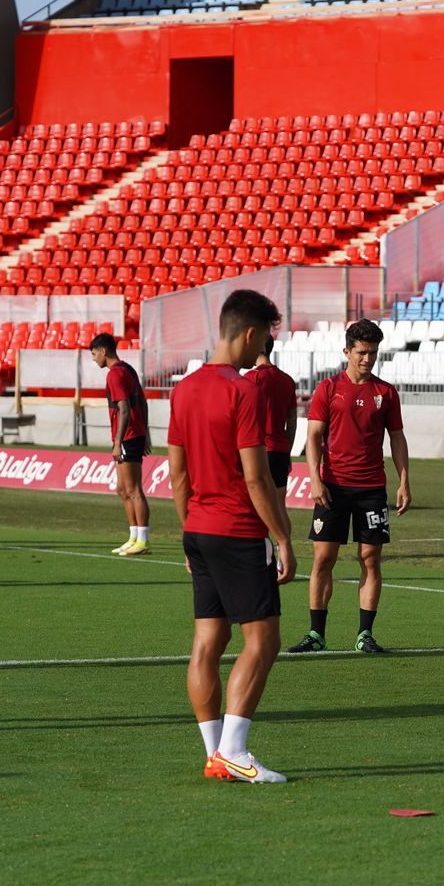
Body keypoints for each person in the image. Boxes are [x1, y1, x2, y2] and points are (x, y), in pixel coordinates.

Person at [168, 288, 298, 783]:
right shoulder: (244, 391)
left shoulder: (182, 389)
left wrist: (187, 531)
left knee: (207, 640)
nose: (263, 345)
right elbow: (256, 478)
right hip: (239, 531)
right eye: (264, 335)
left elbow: (177, 474)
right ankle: (234, 751)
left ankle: (213, 754)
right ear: (249, 333)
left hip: (198, 529)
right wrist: (282, 537)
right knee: (263, 641)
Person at [288, 319, 411, 655]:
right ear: (347, 351)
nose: (367, 359)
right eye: (361, 352)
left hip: (372, 488)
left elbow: (397, 438)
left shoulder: (386, 393)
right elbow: (313, 436)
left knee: (370, 559)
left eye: (372, 352)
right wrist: (314, 479)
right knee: (323, 559)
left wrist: (404, 482)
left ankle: (365, 634)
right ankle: (316, 634)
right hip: (333, 487)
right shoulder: (328, 389)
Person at [90, 333, 150, 556]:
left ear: (104, 351)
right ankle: (134, 536)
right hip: (134, 434)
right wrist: (146, 433)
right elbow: (142, 402)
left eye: (95, 354)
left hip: (127, 436)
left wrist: (118, 442)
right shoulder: (128, 369)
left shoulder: (115, 374)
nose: (94, 359)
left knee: (133, 489)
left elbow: (124, 408)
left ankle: (142, 540)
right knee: (122, 489)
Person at [249, 334, 299, 544]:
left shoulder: (251, 379)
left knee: (254, 507)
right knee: (279, 506)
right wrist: (287, 450)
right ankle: (284, 551)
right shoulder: (287, 380)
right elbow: (292, 420)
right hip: (279, 450)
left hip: (257, 451)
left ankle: (261, 556)